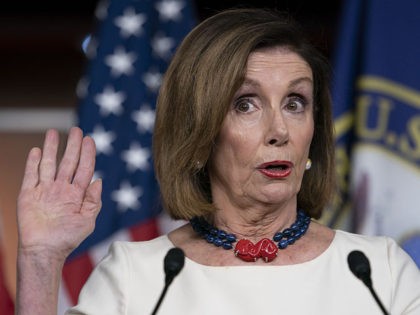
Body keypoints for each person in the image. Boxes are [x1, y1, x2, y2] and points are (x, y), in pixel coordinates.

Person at [16, 8, 420, 315]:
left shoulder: (375, 271)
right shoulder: (137, 277)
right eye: (246, 104)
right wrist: (41, 259)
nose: (279, 129)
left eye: (295, 103)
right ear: (199, 132)